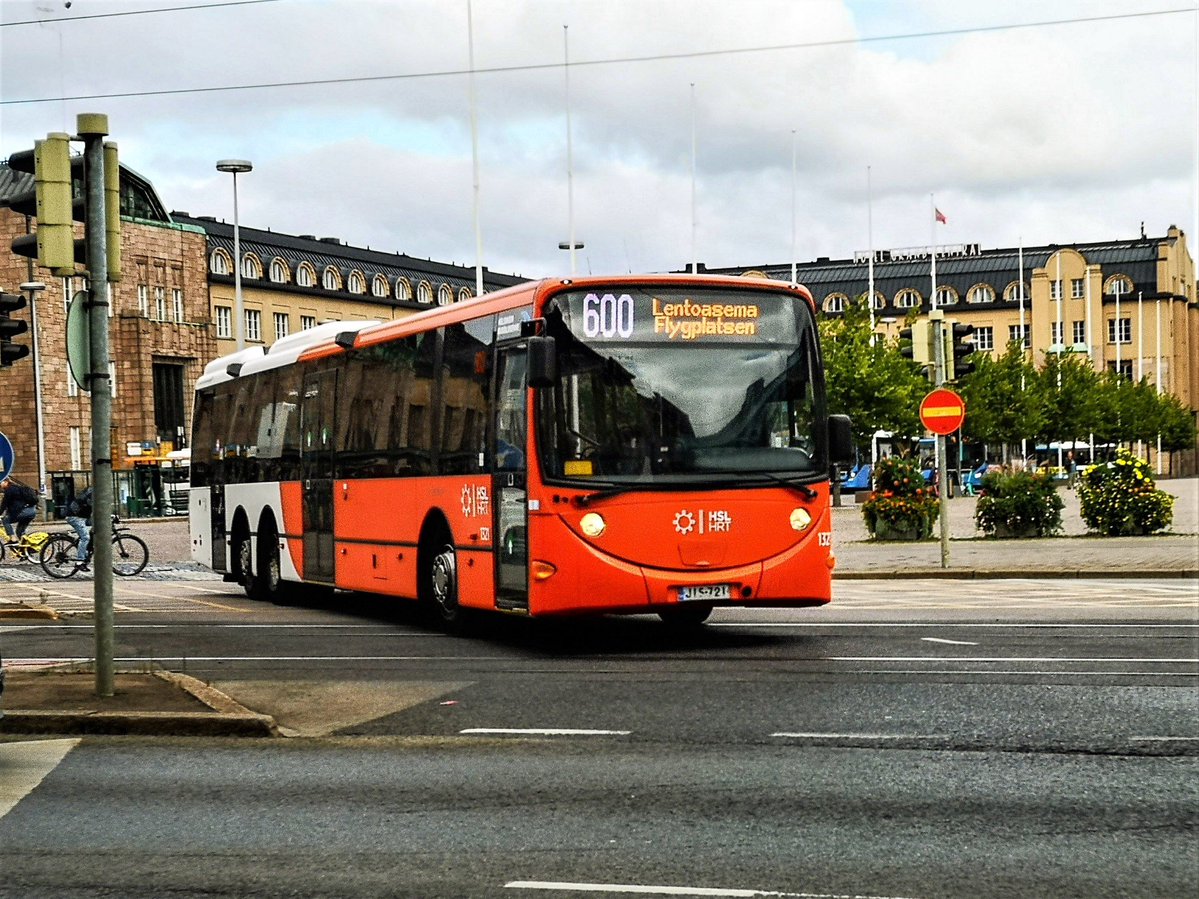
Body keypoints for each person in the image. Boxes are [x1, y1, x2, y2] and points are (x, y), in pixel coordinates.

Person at [0, 477, 39, 543]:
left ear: (6, 482)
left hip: (24, 511)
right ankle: (25, 549)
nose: (0, 485)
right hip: (31, 511)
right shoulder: (18, 488)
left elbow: (4, 504)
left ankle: (13, 539)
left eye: (1, 482)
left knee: (5, 520)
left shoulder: (9, 489)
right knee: (19, 531)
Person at [65, 486, 94, 571]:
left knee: (97, 528)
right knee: (85, 537)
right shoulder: (92, 494)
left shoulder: (92, 491)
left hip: (83, 517)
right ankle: (79, 562)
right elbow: (96, 507)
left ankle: (87, 550)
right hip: (75, 517)